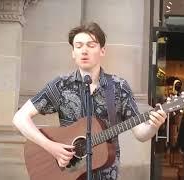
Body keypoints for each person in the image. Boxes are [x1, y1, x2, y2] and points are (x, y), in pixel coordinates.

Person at [12, 22, 167, 180]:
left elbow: (141, 133)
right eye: (78, 46)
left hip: (106, 174)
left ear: (102, 50)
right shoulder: (60, 85)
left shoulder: (119, 86)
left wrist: (154, 126)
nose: (84, 50)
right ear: (73, 52)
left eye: (91, 45)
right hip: (69, 174)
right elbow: (19, 118)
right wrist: (52, 147)